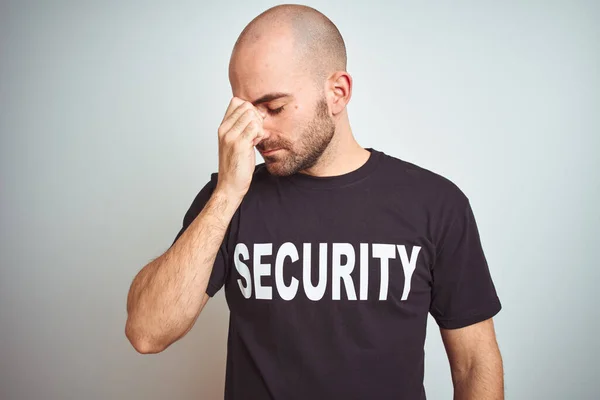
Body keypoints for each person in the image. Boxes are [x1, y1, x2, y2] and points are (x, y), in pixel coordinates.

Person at [125, 4, 503, 399]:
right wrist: (226, 194)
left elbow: (474, 362)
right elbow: (147, 333)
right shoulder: (228, 200)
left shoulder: (436, 204)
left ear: (337, 92)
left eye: (274, 107)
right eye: (245, 110)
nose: (256, 131)